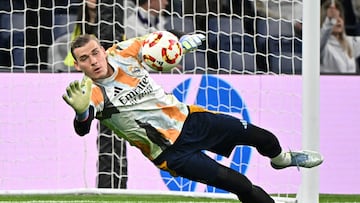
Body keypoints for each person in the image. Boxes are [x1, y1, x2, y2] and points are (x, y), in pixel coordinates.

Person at [62, 33, 323, 203]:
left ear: (104, 50)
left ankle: (283, 159)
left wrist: (177, 48)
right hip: (171, 153)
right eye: (84, 59)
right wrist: (81, 113)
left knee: (260, 136)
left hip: (190, 120)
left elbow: (153, 46)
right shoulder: (91, 92)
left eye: (95, 52)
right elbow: (83, 128)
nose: (93, 61)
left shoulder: (123, 52)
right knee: (240, 185)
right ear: (78, 66)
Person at [49, 0, 128, 188]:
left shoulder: (115, 32)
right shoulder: (79, 35)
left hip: (112, 91)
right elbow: (71, 59)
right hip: (84, 87)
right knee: (86, 126)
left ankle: (115, 184)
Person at [320, 0, 360, 73]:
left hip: (352, 84)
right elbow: (320, 40)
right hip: (328, 84)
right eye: (334, 18)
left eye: (340, 16)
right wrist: (330, 22)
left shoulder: (350, 42)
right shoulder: (322, 46)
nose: (338, 20)